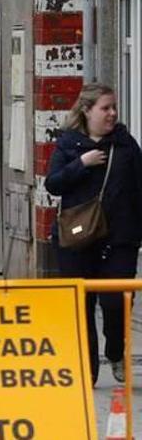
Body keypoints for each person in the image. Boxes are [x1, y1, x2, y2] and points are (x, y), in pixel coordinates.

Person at [44, 83, 142, 386]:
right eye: (105, 108)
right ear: (86, 111)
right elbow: (53, 184)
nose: (112, 113)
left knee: (117, 304)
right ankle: (87, 369)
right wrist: (81, 165)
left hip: (120, 240)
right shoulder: (68, 145)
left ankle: (115, 351)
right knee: (82, 304)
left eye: (114, 108)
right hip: (77, 239)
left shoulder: (126, 145)